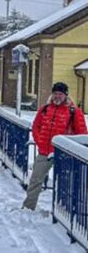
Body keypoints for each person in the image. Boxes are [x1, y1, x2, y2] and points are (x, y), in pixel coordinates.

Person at [23, 81, 87, 210]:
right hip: (44, 152)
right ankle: (28, 207)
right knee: (35, 180)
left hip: (64, 154)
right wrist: (40, 141)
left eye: (60, 94)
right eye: (55, 93)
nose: (57, 96)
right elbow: (36, 126)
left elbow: (82, 134)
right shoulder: (45, 109)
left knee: (65, 185)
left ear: (66, 96)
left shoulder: (74, 112)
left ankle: (64, 212)